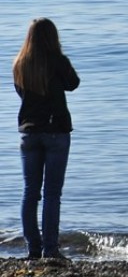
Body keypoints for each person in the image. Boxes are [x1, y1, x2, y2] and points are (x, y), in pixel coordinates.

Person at [13, 18, 80, 261]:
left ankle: (33, 248)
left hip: (28, 133)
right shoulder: (57, 61)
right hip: (55, 131)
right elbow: (73, 83)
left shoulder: (20, 63)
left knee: (30, 192)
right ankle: (50, 249)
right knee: (52, 193)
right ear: (53, 38)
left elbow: (20, 91)